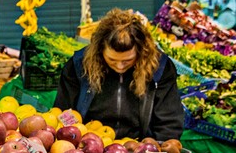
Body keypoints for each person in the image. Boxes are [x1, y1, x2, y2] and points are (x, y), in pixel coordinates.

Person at [54, 8, 183, 141]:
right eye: (112, 60)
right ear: (100, 50)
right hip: (89, 146)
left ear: (140, 51)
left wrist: (156, 149)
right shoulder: (79, 65)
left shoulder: (159, 67)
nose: (120, 66)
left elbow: (169, 123)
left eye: (127, 60)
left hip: (139, 147)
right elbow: (63, 112)